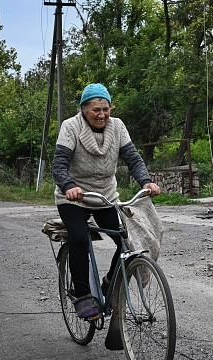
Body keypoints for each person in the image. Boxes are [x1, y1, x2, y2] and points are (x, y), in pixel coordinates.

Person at [52, 83, 160, 318]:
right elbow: (59, 165)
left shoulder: (118, 127)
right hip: (74, 197)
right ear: (83, 110)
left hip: (104, 196)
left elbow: (133, 158)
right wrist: (69, 186)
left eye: (106, 109)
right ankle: (82, 296)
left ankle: (109, 283)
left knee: (126, 240)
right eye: (95, 110)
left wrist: (146, 181)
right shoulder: (70, 127)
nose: (101, 115)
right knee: (79, 238)